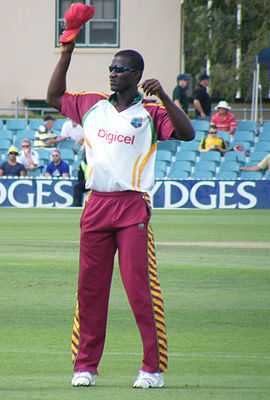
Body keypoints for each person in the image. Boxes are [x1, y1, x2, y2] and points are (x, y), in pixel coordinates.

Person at [47, 41, 195, 389]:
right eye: (111, 68)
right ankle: (85, 366)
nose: (112, 73)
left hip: (131, 206)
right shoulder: (92, 105)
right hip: (96, 204)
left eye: (120, 69)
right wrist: (66, 53)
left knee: (139, 290)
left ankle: (152, 369)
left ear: (137, 75)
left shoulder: (152, 114)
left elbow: (187, 134)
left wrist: (165, 98)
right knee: (90, 290)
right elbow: (54, 96)